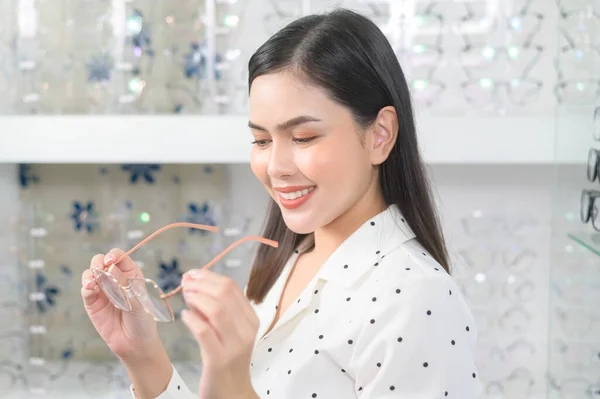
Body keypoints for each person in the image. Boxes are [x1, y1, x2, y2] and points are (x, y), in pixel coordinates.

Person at [81, 8, 481, 399]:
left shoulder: (416, 300)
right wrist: (144, 358)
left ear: (380, 135)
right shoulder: (286, 263)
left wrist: (234, 388)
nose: (276, 167)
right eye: (261, 140)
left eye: (303, 137)